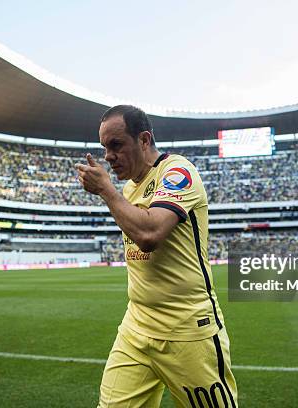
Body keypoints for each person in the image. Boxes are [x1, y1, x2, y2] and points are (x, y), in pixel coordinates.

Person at [75, 105, 237, 407]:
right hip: (137, 326)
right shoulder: (127, 189)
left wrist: (108, 193)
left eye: (116, 145)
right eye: (104, 148)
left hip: (187, 328)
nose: (108, 156)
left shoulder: (177, 171)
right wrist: (115, 194)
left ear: (144, 139)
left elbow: (149, 235)